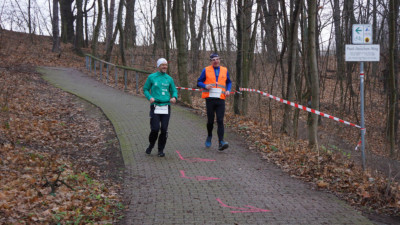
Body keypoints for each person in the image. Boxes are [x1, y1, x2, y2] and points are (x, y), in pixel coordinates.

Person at [143, 58, 178, 157]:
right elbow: (145, 89)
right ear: (158, 66)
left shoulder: (169, 78)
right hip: (155, 106)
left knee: (164, 129)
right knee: (155, 129)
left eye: (166, 65)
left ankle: (160, 150)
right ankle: (151, 145)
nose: (164, 67)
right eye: (162, 65)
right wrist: (150, 97)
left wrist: (174, 97)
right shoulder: (152, 77)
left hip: (166, 106)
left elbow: (174, 90)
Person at [197, 53, 232, 151]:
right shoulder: (206, 70)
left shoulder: (225, 70)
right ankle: (209, 136)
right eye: (213, 60)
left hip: (221, 99)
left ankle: (221, 142)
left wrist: (228, 89)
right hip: (210, 99)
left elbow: (229, 81)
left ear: (220, 60)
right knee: (210, 121)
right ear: (211, 61)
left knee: (220, 120)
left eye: (217, 59)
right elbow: (199, 82)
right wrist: (205, 86)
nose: (216, 61)